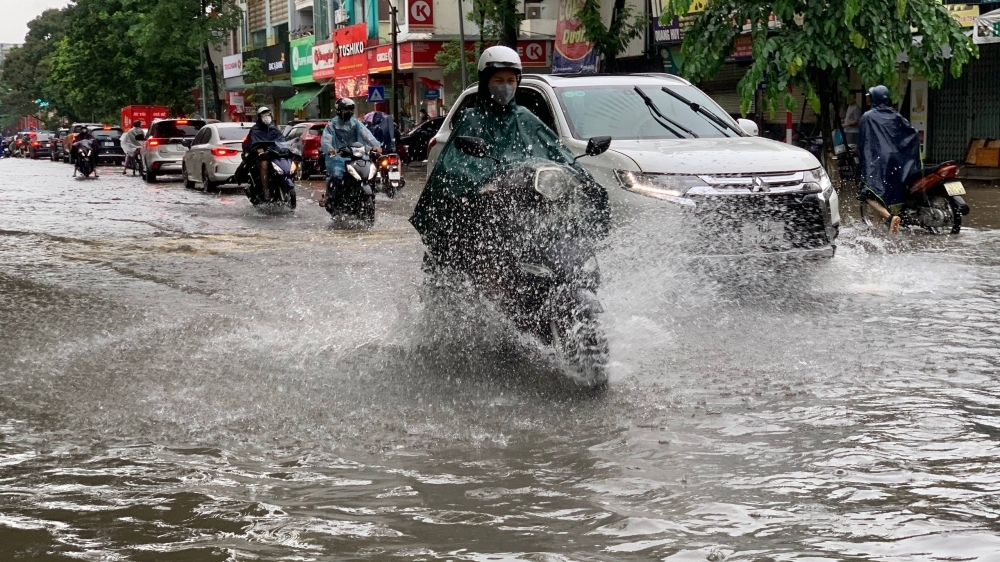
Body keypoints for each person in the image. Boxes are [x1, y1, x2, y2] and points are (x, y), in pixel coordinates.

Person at [409, 46, 608, 257]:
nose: (505, 86)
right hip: (484, 205)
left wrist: (580, 176)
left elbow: (558, 152)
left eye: (511, 81)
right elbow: (453, 166)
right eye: (498, 81)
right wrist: (480, 181)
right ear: (486, 82)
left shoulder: (525, 117)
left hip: (528, 202)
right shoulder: (472, 119)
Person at [857, 85, 921, 234]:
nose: (868, 100)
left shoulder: (868, 117)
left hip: (878, 161)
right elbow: (911, 133)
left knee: (867, 193)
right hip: (895, 161)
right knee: (883, 194)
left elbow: (863, 142)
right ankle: (874, 228)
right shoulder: (895, 115)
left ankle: (890, 217)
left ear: (874, 99)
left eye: (870, 97)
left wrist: (862, 157)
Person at [319, 98, 381, 210]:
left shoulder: (356, 123)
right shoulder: (332, 125)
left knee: (369, 173)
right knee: (337, 176)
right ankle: (331, 197)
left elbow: (366, 135)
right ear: (339, 110)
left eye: (351, 110)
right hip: (339, 158)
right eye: (346, 110)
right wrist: (331, 150)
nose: (349, 112)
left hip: (356, 155)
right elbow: (326, 139)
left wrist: (376, 145)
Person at [242, 107, 285, 198]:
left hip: (274, 155)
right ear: (259, 117)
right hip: (261, 157)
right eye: (264, 115)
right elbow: (253, 143)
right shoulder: (255, 129)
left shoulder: (274, 129)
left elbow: (282, 140)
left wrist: (287, 148)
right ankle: (266, 190)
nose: (267, 117)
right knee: (264, 165)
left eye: (268, 114)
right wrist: (259, 150)